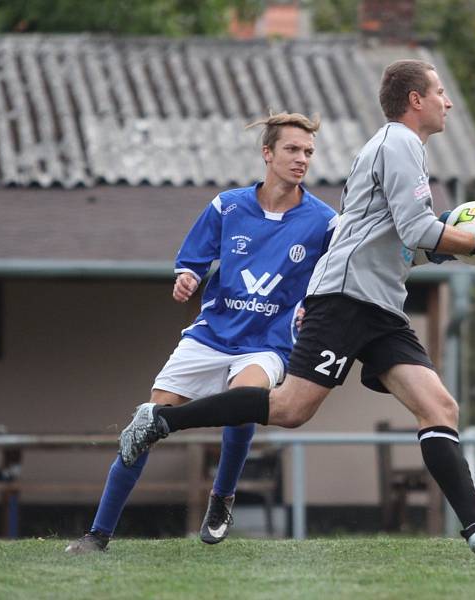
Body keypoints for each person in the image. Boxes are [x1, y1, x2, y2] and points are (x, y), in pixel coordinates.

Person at [118, 59, 475, 558]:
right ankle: (161, 421)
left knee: (439, 407)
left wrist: (460, 245)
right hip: (346, 297)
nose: (448, 102)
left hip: (380, 304)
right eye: (441, 92)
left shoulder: (403, 150)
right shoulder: (399, 143)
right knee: (290, 409)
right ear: (415, 100)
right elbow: (417, 230)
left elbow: (406, 242)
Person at [66, 112, 338, 554]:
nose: (302, 159)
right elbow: (192, 260)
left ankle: (222, 497)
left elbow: (334, 279)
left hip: (267, 343)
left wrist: (314, 306)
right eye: (292, 149)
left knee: (243, 401)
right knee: (147, 422)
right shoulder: (227, 206)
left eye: (308, 151)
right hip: (210, 335)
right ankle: (98, 534)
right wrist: (186, 279)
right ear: (267, 153)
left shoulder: (325, 221)